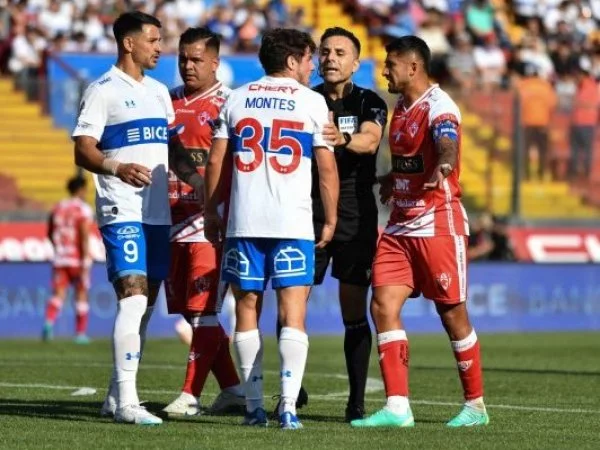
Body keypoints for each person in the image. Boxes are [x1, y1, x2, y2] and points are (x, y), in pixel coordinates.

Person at [204, 28, 339, 429]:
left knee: (246, 308)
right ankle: (289, 408)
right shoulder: (312, 101)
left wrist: (211, 211)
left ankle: (253, 408)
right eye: (309, 59)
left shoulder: (235, 98)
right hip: (293, 222)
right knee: (293, 311)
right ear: (293, 60)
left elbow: (215, 162)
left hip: (244, 221)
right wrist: (330, 218)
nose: (313, 67)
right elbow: (326, 169)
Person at [351, 36, 489, 428]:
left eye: (390, 64)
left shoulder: (439, 105)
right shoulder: (401, 107)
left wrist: (444, 164)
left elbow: (447, 143)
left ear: (413, 67)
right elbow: (410, 161)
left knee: (452, 313)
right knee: (383, 304)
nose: (384, 71)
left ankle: (475, 406)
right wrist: (391, 178)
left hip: (437, 223)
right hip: (400, 226)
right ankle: (398, 407)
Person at [72, 11, 199, 426]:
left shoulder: (160, 92)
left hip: (156, 214)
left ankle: (115, 395)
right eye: (153, 40)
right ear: (129, 43)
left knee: (144, 307)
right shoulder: (102, 90)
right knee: (134, 297)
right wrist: (117, 167)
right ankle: (129, 401)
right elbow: (83, 149)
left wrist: (200, 182)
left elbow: (174, 148)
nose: (160, 48)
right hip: (120, 207)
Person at [274, 26, 388, 422]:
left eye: (340, 52)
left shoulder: (370, 101)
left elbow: (370, 140)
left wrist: (342, 139)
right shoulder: (305, 99)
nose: (330, 58)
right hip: (308, 212)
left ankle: (356, 403)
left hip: (355, 216)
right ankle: (292, 388)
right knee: (290, 304)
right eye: (324, 52)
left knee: (353, 312)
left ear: (356, 63)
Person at [161, 27, 244, 418]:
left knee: (205, 309)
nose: (188, 65)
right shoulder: (166, 100)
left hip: (211, 223)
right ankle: (233, 390)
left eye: (196, 59)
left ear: (215, 62)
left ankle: (189, 395)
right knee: (189, 312)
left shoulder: (230, 104)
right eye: (183, 58)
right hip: (169, 220)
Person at [42, 175, 94, 344]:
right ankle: (80, 334)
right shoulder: (83, 209)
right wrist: (85, 258)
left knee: (58, 294)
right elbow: (84, 235)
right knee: (81, 294)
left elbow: (49, 232)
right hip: (77, 259)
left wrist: (58, 248)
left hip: (60, 257)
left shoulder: (57, 207)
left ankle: (48, 323)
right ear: (81, 190)